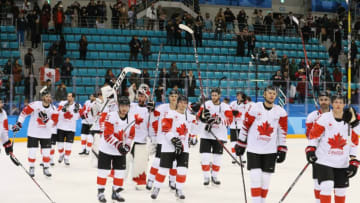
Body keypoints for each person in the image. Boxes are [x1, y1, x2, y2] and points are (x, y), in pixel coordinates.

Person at [235, 86, 288, 203]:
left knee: (265, 180)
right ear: (264, 94)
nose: (271, 95)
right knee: (255, 177)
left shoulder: (281, 112)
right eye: (269, 93)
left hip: (270, 151)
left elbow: (282, 132)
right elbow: (245, 126)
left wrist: (282, 148)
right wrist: (241, 143)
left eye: (274, 94)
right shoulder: (254, 108)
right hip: (254, 150)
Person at [306, 94, 360, 203]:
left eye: (340, 102)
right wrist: (311, 149)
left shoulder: (350, 120)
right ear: (332, 104)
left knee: (341, 191)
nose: (338, 105)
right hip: (324, 160)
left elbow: (354, 142)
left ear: (344, 104)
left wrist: (354, 160)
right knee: (327, 186)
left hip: (342, 162)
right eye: (336, 102)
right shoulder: (325, 118)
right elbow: (314, 135)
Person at [151, 95, 197, 199]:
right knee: (163, 169)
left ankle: (179, 189)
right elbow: (165, 129)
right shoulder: (169, 114)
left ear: (187, 104)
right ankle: (156, 188)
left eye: (185, 103)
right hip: (168, 146)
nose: (182, 104)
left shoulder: (190, 117)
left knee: (182, 170)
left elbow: (194, 130)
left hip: (184, 148)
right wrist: (174, 140)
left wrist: (194, 138)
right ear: (177, 103)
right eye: (180, 102)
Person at [12, 87, 59, 177]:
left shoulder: (54, 109)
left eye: (49, 96)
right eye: (46, 96)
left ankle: (46, 167)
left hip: (46, 134)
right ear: (42, 97)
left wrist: (46, 120)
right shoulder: (35, 105)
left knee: (46, 153)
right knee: (32, 152)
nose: (48, 98)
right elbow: (24, 113)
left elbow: (53, 124)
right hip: (33, 132)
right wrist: (19, 123)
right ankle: (32, 167)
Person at [97, 96, 135, 202]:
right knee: (103, 171)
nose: (124, 108)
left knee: (120, 172)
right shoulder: (111, 116)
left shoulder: (131, 119)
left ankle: (116, 192)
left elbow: (131, 135)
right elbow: (107, 135)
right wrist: (118, 145)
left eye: (126, 106)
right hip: (107, 149)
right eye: (122, 106)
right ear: (118, 106)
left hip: (119, 150)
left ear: (129, 107)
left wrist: (127, 145)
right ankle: (100, 192)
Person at [198, 88, 233, 185]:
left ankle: (214, 175)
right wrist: (204, 119)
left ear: (219, 96)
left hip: (220, 135)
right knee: (205, 157)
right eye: (212, 95)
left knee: (217, 158)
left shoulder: (225, 106)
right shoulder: (206, 104)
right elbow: (199, 117)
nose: (213, 97)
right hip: (206, 135)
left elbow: (230, 120)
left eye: (215, 95)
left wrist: (219, 121)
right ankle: (206, 177)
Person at [146, 90, 179, 190]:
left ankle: (172, 181)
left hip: (175, 139)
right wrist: (151, 108)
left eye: (175, 96)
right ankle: (151, 179)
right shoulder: (162, 107)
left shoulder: (181, 109)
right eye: (172, 96)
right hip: (163, 139)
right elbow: (154, 114)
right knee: (157, 160)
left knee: (174, 162)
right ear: (169, 97)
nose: (173, 98)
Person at [305, 92, 331, 203]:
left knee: (331, 182)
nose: (324, 102)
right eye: (321, 99)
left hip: (332, 152)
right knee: (317, 180)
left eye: (326, 99)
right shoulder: (312, 116)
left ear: (329, 101)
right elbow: (308, 135)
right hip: (318, 152)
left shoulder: (336, 114)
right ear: (319, 101)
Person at [129, 84, 151, 188]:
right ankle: (120, 181)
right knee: (127, 161)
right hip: (129, 139)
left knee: (140, 162)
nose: (141, 98)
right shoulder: (132, 106)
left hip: (142, 140)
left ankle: (139, 180)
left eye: (143, 96)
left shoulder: (149, 110)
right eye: (139, 95)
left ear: (147, 97)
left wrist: (153, 112)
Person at [56, 93, 82, 165]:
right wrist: (63, 111)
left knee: (69, 145)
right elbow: (58, 112)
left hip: (71, 128)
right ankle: (61, 154)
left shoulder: (78, 105)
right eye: (67, 96)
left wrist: (72, 114)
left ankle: (66, 157)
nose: (68, 97)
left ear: (73, 98)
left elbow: (79, 116)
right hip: (61, 127)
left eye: (70, 96)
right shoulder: (62, 103)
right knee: (60, 145)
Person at [229, 92, 247, 163]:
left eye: (240, 96)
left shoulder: (245, 105)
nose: (238, 97)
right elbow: (228, 111)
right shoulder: (233, 103)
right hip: (233, 125)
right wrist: (232, 113)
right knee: (233, 142)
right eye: (238, 95)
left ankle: (242, 156)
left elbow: (246, 114)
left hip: (242, 126)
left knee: (241, 142)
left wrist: (239, 115)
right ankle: (234, 156)